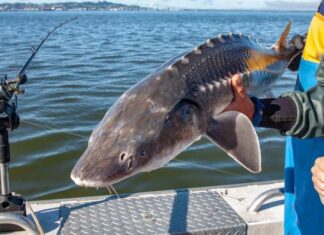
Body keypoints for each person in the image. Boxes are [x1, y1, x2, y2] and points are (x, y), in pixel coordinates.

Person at [225, 2, 324, 234]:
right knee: (298, 209)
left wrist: (257, 111)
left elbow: (319, 109)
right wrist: (306, 48)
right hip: (302, 141)